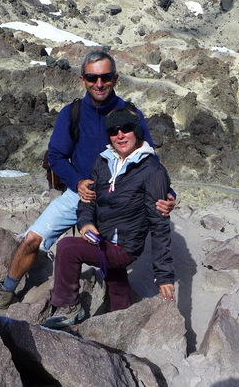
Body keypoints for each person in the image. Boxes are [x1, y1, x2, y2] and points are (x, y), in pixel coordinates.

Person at [0, 50, 176, 310]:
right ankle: (7, 289)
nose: (99, 83)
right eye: (92, 77)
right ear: (82, 79)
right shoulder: (71, 113)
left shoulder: (130, 115)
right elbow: (56, 156)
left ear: (115, 78)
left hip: (120, 203)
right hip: (79, 195)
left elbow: (150, 161)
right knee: (32, 239)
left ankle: (116, 315)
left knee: (114, 260)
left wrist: (168, 195)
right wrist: (77, 182)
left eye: (105, 77)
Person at [43, 108, 174, 329]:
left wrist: (164, 277)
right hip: (102, 237)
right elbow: (88, 200)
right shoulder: (103, 161)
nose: (120, 135)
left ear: (137, 131)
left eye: (126, 129)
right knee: (116, 279)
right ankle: (121, 320)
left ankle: (69, 307)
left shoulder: (152, 170)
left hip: (124, 247)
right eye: (114, 131)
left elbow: (160, 225)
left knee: (66, 247)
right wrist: (85, 223)